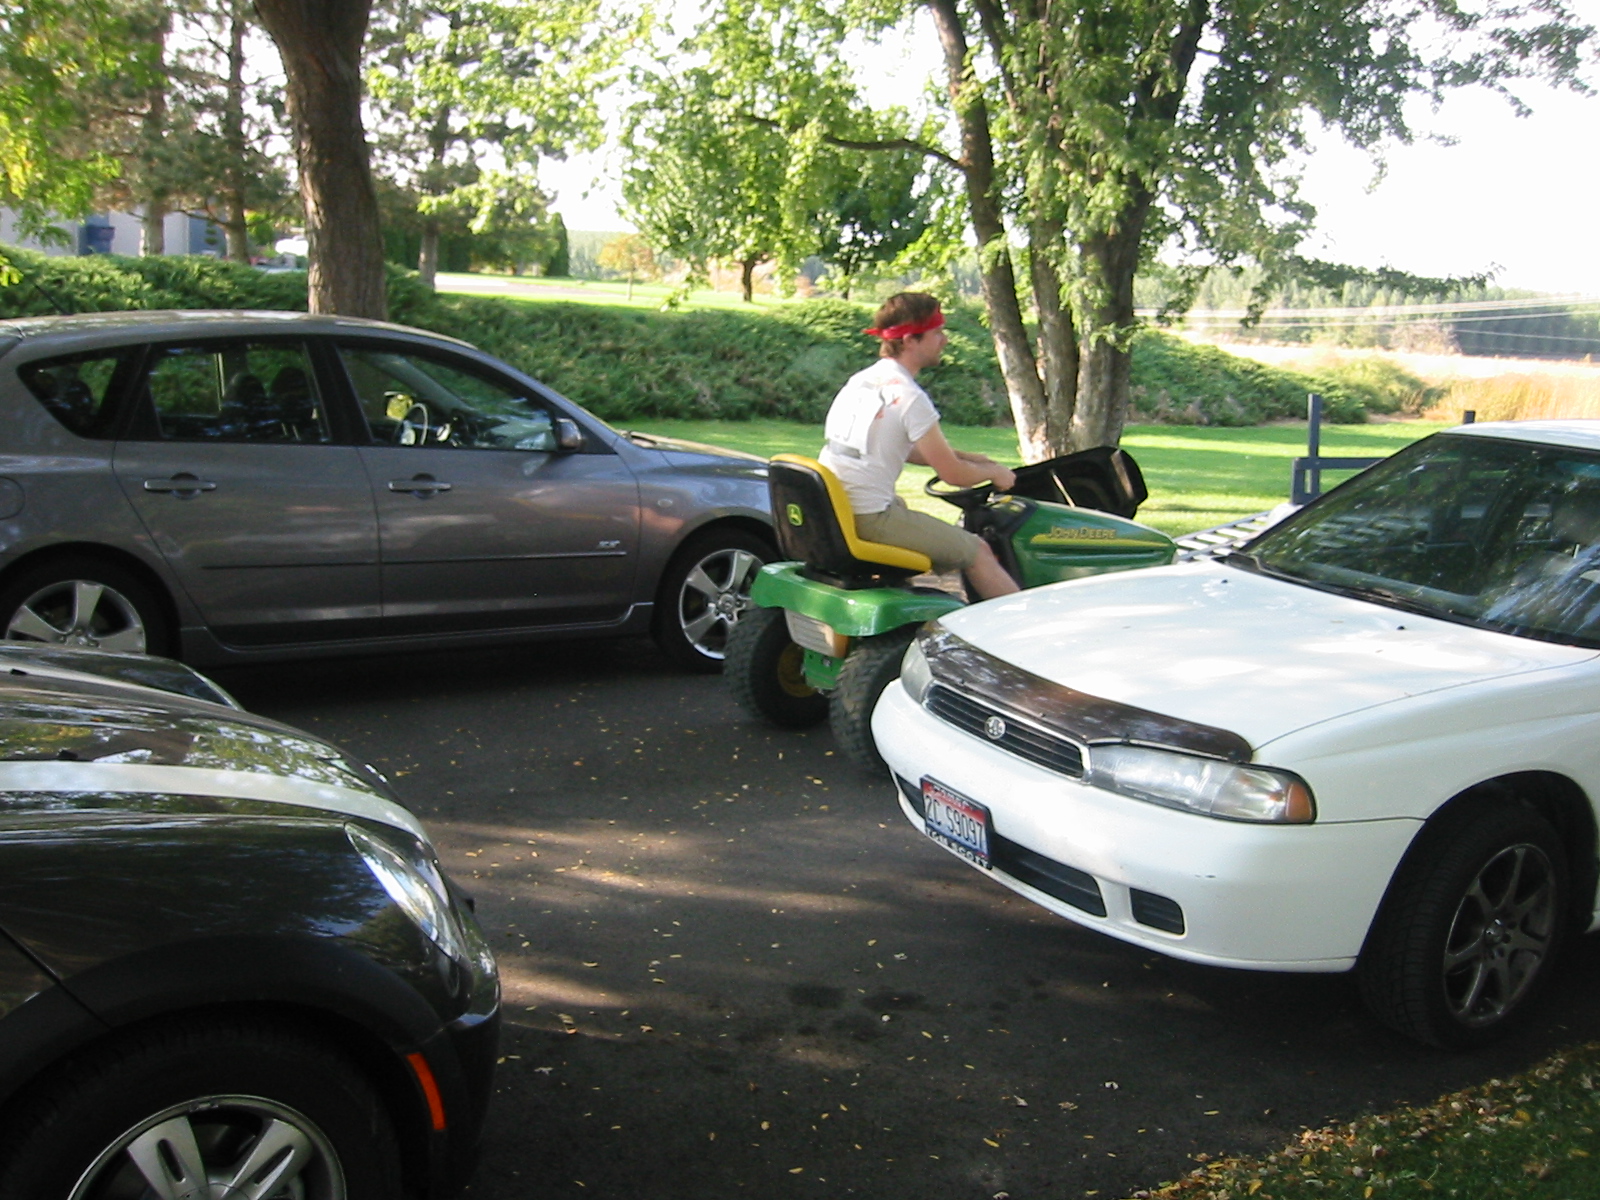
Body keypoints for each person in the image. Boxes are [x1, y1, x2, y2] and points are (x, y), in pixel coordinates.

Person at [818, 292, 1020, 599]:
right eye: (937, 332)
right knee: (978, 551)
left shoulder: (863, 382)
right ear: (910, 340)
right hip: (868, 516)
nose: (945, 340)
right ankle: (1019, 636)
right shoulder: (909, 397)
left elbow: (893, 447)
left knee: (901, 506)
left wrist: (969, 458)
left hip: (836, 507)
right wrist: (996, 474)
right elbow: (953, 475)